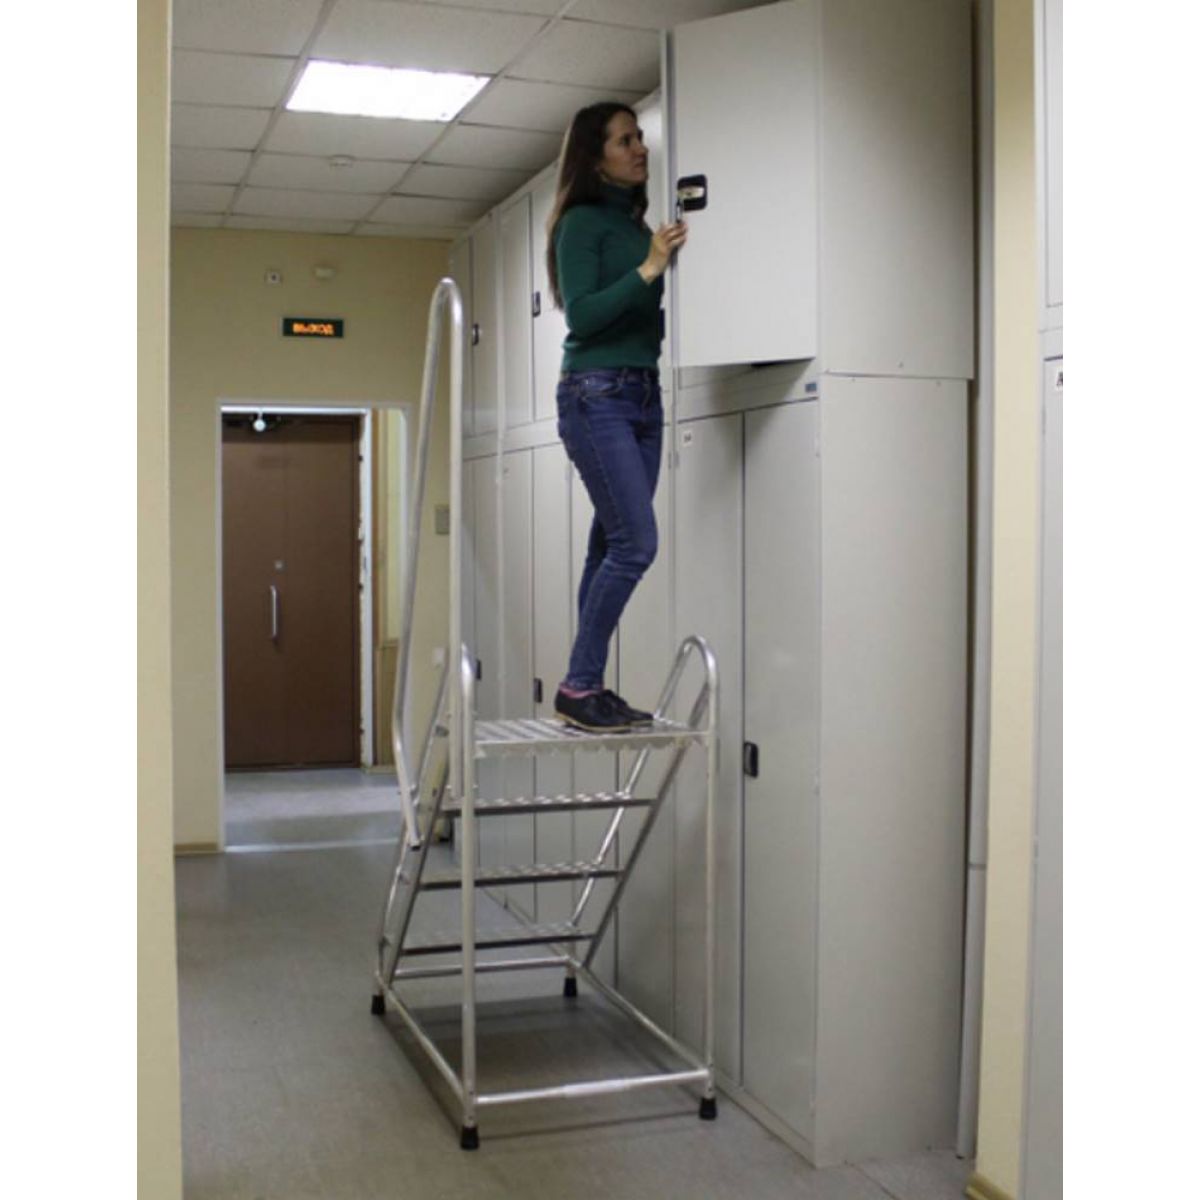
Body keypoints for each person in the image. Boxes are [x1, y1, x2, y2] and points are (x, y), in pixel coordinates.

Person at [545, 102, 688, 732]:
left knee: (610, 543)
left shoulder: (634, 225)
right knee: (636, 543)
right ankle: (577, 686)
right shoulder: (580, 224)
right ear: (595, 156)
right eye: (625, 140)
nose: (640, 149)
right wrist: (651, 267)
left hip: (643, 394)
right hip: (595, 392)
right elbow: (583, 315)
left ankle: (588, 685)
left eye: (640, 138)